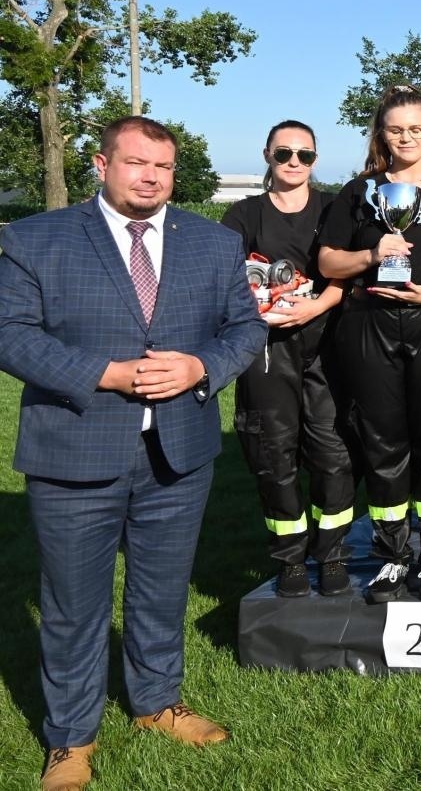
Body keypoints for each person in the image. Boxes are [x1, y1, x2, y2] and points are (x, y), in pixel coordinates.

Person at [0, 117, 266, 790]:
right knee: (71, 605)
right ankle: (70, 739)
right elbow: (11, 335)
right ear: (101, 163)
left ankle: (156, 703)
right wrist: (105, 374)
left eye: (164, 167)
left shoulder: (212, 242)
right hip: (75, 449)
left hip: (178, 453)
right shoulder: (37, 239)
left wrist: (200, 367)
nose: (151, 177)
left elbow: (245, 327)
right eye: (137, 163)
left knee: (161, 590)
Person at [318, 85, 421, 603]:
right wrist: (372, 254)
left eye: (416, 128)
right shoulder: (358, 192)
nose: (406, 137)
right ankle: (391, 555)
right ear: (381, 134)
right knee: (383, 441)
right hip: (370, 323)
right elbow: (328, 263)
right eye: (396, 129)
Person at [220, 121, 354, 600]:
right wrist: (258, 309)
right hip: (267, 349)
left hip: (327, 345)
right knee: (273, 454)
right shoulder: (244, 214)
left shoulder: (334, 208)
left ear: (316, 159)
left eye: (305, 154)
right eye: (284, 153)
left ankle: (332, 552)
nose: (294, 162)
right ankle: (290, 557)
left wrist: (319, 303)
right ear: (267, 155)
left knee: (333, 453)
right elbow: (226, 280)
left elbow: (350, 270)